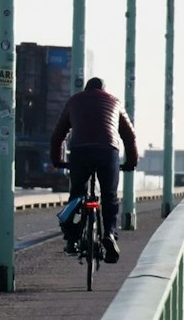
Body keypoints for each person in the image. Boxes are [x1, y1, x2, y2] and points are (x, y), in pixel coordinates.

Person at [49, 77, 139, 264]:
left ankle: (72, 239)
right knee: (109, 195)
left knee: (77, 195)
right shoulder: (115, 102)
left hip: (80, 151)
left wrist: (56, 160)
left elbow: (58, 135)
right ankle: (109, 234)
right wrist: (131, 162)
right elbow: (129, 136)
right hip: (107, 151)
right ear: (103, 90)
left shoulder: (74, 101)